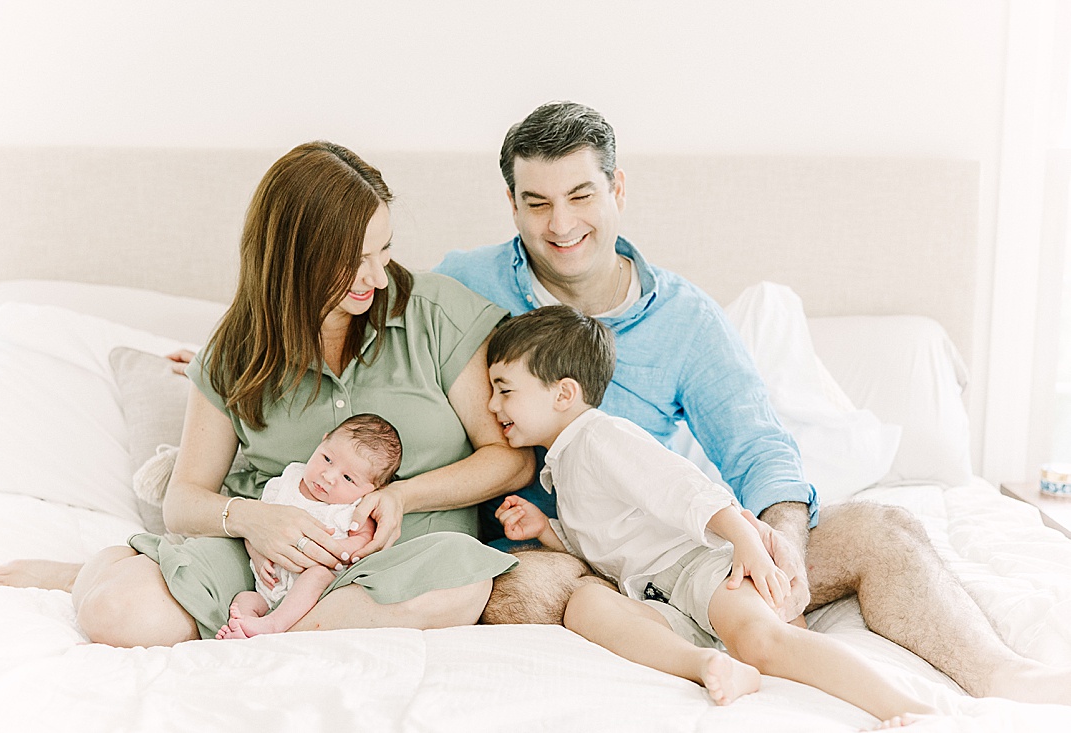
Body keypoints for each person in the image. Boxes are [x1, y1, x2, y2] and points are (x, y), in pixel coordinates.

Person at [434, 101, 1071, 704]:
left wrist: (781, 548)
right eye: (537, 203)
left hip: (679, 547)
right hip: (563, 557)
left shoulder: (686, 320)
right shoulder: (460, 285)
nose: (561, 224)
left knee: (884, 529)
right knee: (529, 590)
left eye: (581, 196)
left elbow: (757, 447)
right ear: (512, 205)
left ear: (617, 190)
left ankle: (998, 674)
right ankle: (699, 656)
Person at [0, 140, 534, 647]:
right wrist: (254, 521)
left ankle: (269, 632)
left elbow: (511, 459)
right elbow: (184, 498)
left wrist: (402, 498)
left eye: (382, 251)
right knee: (117, 613)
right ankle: (97, 574)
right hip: (260, 565)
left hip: (405, 561)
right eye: (353, 261)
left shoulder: (435, 313)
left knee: (462, 586)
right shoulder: (236, 352)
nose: (378, 277)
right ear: (294, 258)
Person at [485, 305, 935, 723]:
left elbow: (685, 489)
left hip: (700, 567)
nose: (491, 405)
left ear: (564, 393)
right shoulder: (562, 466)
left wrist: (745, 542)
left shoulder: (601, 438)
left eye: (504, 390)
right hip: (655, 594)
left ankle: (906, 707)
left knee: (762, 640)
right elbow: (604, 543)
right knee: (585, 604)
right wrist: (546, 530)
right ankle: (707, 663)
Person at [216, 413, 401, 640]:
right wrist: (258, 556)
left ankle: (273, 624)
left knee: (318, 575)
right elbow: (254, 528)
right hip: (271, 590)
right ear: (322, 441)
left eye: (348, 478)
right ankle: (245, 631)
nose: (329, 476)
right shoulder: (287, 482)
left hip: (315, 596)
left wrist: (339, 549)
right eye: (327, 459)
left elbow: (364, 541)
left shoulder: (353, 508)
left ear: (371, 489)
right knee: (244, 600)